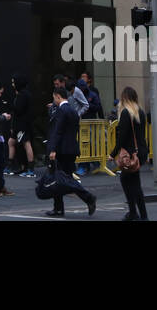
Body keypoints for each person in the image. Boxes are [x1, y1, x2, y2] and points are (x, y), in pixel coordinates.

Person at [46, 87, 96, 217]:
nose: (53, 100)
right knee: (64, 179)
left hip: (62, 150)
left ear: (57, 96)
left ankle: (86, 198)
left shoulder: (62, 111)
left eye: (54, 97)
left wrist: (52, 149)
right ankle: (59, 208)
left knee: (61, 179)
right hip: (71, 149)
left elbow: (58, 131)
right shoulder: (73, 111)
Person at [109, 86, 148, 220]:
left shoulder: (126, 113)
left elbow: (122, 137)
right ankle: (136, 213)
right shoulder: (140, 112)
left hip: (130, 154)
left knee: (129, 182)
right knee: (132, 181)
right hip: (140, 152)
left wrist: (113, 153)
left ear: (124, 98)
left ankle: (138, 214)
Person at [7, 76, 35, 177]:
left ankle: (30, 169)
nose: (12, 85)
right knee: (12, 142)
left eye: (14, 83)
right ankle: (11, 166)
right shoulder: (23, 94)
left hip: (22, 125)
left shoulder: (22, 95)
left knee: (26, 143)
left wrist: (9, 105)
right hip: (21, 124)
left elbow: (18, 110)